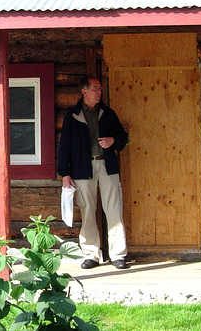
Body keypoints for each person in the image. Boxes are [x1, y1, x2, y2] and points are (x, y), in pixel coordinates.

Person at [57, 76, 129, 269]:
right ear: (84, 91)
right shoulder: (73, 115)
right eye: (95, 89)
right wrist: (65, 173)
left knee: (114, 210)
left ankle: (118, 255)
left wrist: (113, 141)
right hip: (81, 169)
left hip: (107, 166)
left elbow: (124, 138)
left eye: (100, 89)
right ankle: (91, 255)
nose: (99, 92)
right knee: (88, 211)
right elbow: (64, 146)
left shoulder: (107, 113)